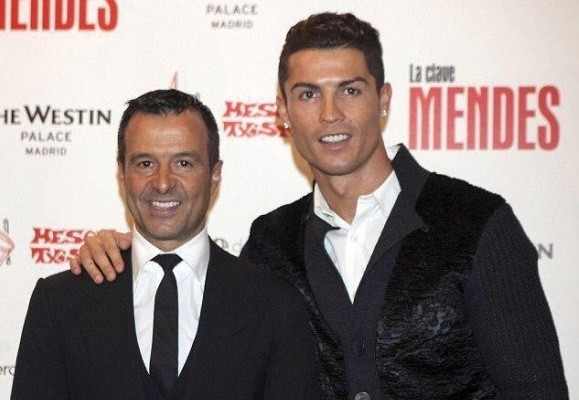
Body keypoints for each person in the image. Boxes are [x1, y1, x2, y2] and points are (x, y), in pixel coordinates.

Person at [68, 13, 569, 400]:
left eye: (349, 90)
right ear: (283, 111)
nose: (330, 114)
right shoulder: (270, 242)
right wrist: (127, 254)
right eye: (308, 95)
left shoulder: (477, 223)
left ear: (383, 99)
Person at [12, 89, 320, 400]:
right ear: (122, 173)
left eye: (183, 163)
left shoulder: (275, 306)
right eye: (145, 163)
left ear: (214, 174)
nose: (162, 183)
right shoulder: (60, 302)